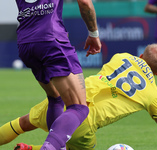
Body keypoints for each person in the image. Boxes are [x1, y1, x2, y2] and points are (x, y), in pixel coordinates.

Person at [0, 43, 157, 150]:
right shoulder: (152, 96)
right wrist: (155, 97)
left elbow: (119, 82)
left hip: (68, 98)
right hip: (82, 121)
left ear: (141, 55)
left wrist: (153, 95)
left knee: (23, 123)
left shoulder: (122, 56)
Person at [14, 0, 101, 150]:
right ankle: (49, 147)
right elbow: (85, 3)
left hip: (25, 42)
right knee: (79, 107)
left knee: (55, 98)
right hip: (51, 39)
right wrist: (93, 33)